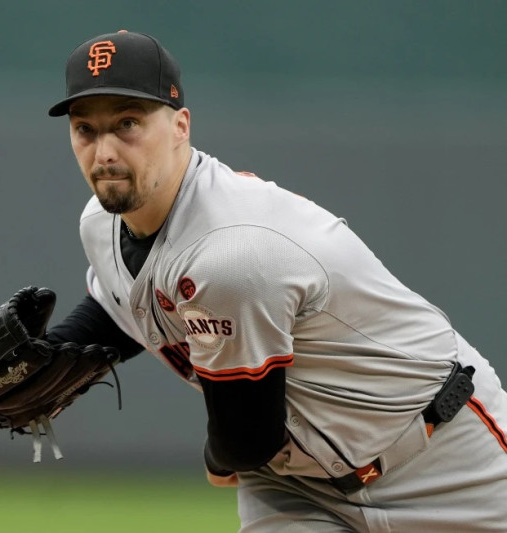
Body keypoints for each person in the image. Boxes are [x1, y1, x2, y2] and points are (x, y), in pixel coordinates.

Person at [41, 30, 507, 531]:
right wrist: (46, 354)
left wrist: (219, 457)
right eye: (85, 129)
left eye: (128, 123)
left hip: (445, 458)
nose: (104, 151)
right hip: (293, 483)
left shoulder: (234, 250)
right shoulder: (102, 222)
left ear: (180, 126)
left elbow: (245, 440)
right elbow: (124, 304)